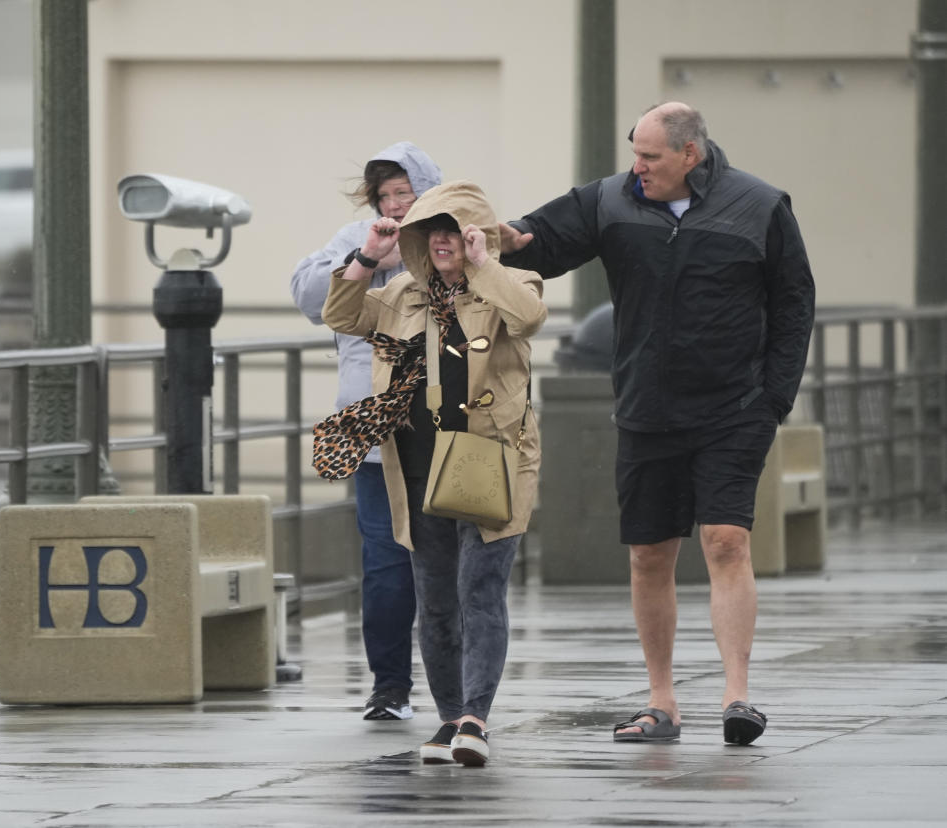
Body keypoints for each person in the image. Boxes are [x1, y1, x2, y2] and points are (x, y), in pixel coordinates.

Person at [499, 102, 815, 746]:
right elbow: (537, 241)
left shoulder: (758, 205)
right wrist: (485, 236)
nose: (636, 167)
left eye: (650, 157)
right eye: (633, 153)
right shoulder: (612, 200)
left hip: (734, 407)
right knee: (649, 554)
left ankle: (737, 697)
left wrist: (773, 398)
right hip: (646, 406)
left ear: (689, 155)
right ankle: (662, 702)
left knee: (726, 538)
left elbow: (793, 301)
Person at [318, 180, 548, 766]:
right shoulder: (401, 292)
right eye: (431, 231)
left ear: (475, 234)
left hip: (491, 463)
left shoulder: (511, 283)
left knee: (480, 591)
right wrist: (369, 255)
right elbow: (339, 313)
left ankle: (476, 717)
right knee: (437, 601)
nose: (441, 241)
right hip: (418, 465)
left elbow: (528, 318)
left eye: (453, 229)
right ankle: (450, 720)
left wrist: (482, 263)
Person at [292, 142, 441, 721]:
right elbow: (308, 297)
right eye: (386, 195)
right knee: (385, 561)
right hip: (375, 429)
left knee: (454, 562)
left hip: (448, 427)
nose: (396, 205)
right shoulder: (358, 237)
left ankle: (463, 695)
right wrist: (366, 257)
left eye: (406, 192)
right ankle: (390, 688)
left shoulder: (453, 234)